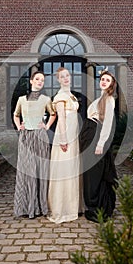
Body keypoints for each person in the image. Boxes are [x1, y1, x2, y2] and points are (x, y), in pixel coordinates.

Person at [13, 71, 56, 219]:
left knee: (40, 170)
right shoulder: (21, 100)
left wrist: (47, 126)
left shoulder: (46, 99)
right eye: (37, 79)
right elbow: (16, 114)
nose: (40, 82)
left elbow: (53, 114)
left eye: (42, 80)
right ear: (31, 81)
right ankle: (26, 207)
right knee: (26, 170)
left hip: (40, 136)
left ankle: (40, 206)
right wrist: (19, 127)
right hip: (26, 137)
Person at [79, 70, 118, 223]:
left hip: (96, 137)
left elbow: (107, 123)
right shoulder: (100, 98)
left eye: (107, 80)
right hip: (89, 135)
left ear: (111, 84)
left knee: (95, 174)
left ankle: (98, 208)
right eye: (102, 79)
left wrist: (101, 143)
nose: (103, 81)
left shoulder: (109, 100)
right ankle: (93, 207)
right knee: (89, 173)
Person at [47, 67, 81, 224]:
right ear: (58, 80)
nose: (66, 78)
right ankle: (61, 209)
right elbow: (61, 119)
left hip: (74, 138)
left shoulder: (71, 95)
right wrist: (63, 139)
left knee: (72, 170)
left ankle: (72, 206)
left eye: (68, 75)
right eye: (63, 76)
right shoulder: (60, 96)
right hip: (65, 138)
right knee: (64, 171)